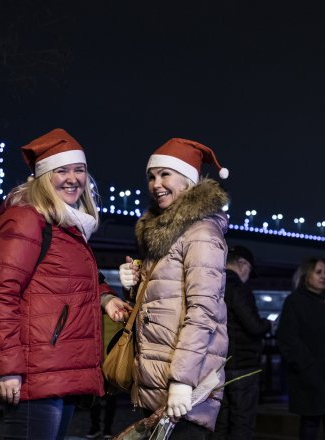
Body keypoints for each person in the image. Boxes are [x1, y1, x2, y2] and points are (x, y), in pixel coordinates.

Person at [0, 128, 131, 439]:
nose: (72, 178)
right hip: (33, 371)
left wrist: (105, 298)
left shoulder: (65, 226)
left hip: (57, 368)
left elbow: (66, 281)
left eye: (79, 170)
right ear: (43, 177)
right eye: (61, 170)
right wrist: (7, 368)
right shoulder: (26, 218)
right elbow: (0, 293)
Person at [117, 137, 230, 438]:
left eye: (166, 174)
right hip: (158, 385)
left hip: (184, 392)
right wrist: (135, 284)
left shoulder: (201, 233)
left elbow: (203, 311)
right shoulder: (167, 233)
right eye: (152, 176)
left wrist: (182, 381)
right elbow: (164, 302)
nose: (156, 184)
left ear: (188, 180)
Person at [276, 257, 325, 440]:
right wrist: (307, 366)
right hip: (312, 375)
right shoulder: (295, 301)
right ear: (306, 274)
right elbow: (288, 339)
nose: (324, 276)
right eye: (318, 272)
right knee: (310, 424)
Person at [213, 245, 271, 440]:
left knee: (220, 425)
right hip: (243, 367)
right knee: (242, 424)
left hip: (218, 368)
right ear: (243, 264)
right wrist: (268, 324)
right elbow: (253, 326)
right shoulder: (238, 288)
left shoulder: (213, 286)